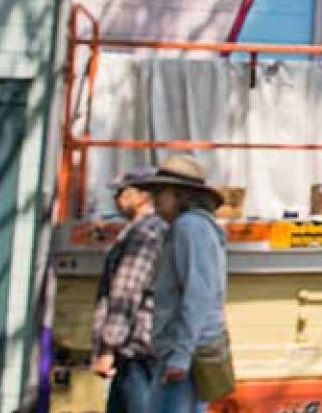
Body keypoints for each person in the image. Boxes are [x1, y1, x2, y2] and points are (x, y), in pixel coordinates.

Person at [137, 156, 231, 413]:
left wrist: (180, 356)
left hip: (186, 350)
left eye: (161, 191)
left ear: (182, 195)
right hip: (188, 348)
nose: (155, 199)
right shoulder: (192, 227)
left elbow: (198, 295)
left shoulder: (189, 227)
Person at [90, 169, 169, 413]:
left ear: (143, 196)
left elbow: (127, 291)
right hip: (151, 342)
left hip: (136, 346)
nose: (117, 198)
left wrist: (107, 348)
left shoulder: (144, 233)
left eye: (123, 192)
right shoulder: (156, 229)